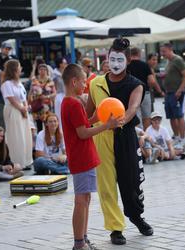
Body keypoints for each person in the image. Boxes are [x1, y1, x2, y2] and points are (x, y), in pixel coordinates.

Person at [86, 38, 154, 245]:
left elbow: (133, 107)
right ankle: (115, 228)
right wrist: (79, 128)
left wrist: (121, 118)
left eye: (120, 59)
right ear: (106, 59)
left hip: (125, 136)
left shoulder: (136, 85)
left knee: (131, 181)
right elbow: (88, 114)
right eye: (112, 58)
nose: (115, 63)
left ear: (127, 61)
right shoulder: (95, 83)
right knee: (106, 185)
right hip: (101, 136)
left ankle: (135, 216)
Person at [61, 64, 122, 250]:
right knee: (81, 201)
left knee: (85, 199)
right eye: (82, 81)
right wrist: (106, 125)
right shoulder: (73, 103)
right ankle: (79, 243)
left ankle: (83, 239)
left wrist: (96, 118)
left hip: (83, 156)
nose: (85, 85)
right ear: (73, 81)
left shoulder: (69, 102)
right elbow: (82, 133)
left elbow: (83, 124)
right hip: (82, 157)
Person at [1, 59, 33, 170]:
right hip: (13, 110)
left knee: (25, 135)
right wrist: (22, 109)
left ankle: (27, 160)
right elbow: (12, 99)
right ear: (14, 69)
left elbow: (23, 98)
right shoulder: (6, 84)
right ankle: (17, 161)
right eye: (19, 67)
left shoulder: (19, 83)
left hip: (22, 110)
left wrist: (25, 107)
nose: (21, 69)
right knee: (16, 135)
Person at [160, 43, 185, 147]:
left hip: (176, 92)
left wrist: (180, 90)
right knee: (171, 116)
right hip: (169, 92)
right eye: (161, 51)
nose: (162, 54)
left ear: (170, 49)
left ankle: (182, 138)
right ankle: (176, 136)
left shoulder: (178, 60)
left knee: (179, 115)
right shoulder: (169, 61)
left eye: (164, 51)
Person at [127, 47, 164, 129]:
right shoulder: (145, 65)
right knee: (147, 116)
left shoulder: (127, 66)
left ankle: (139, 138)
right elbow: (152, 80)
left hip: (132, 94)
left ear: (130, 55)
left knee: (136, 116)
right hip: (145, 93)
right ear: (139, 54)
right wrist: (149, 87)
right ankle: (146, 137)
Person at [0, 41, 15, 129]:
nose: (8, 50)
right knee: (1, 126)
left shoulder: (11, 57)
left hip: (12, 105)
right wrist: (5, 89)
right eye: (6, 49)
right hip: (2, 103)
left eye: (9, 49)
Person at [28, 64, 56, 132]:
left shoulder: (50, 80)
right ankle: (40, 140)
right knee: (39, 125)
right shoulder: (35, 80)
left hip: (47, 105)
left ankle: (48, 140)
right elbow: (30, 91)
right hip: (37, 105)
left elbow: (55, 93)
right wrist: (29, 101)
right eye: (41, 69)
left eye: (44, 69)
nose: (42, 71)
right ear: (38, 71)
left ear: (47, 71)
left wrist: (47, 96)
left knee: (48, 124)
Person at [53, 57, 68, 128]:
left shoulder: (66, 73)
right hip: (59, 97)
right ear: (60, 64)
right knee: (59, 115)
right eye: (64, 63)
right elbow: (53, 87)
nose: (66, 64)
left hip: (67, 96)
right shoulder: (54, 75)